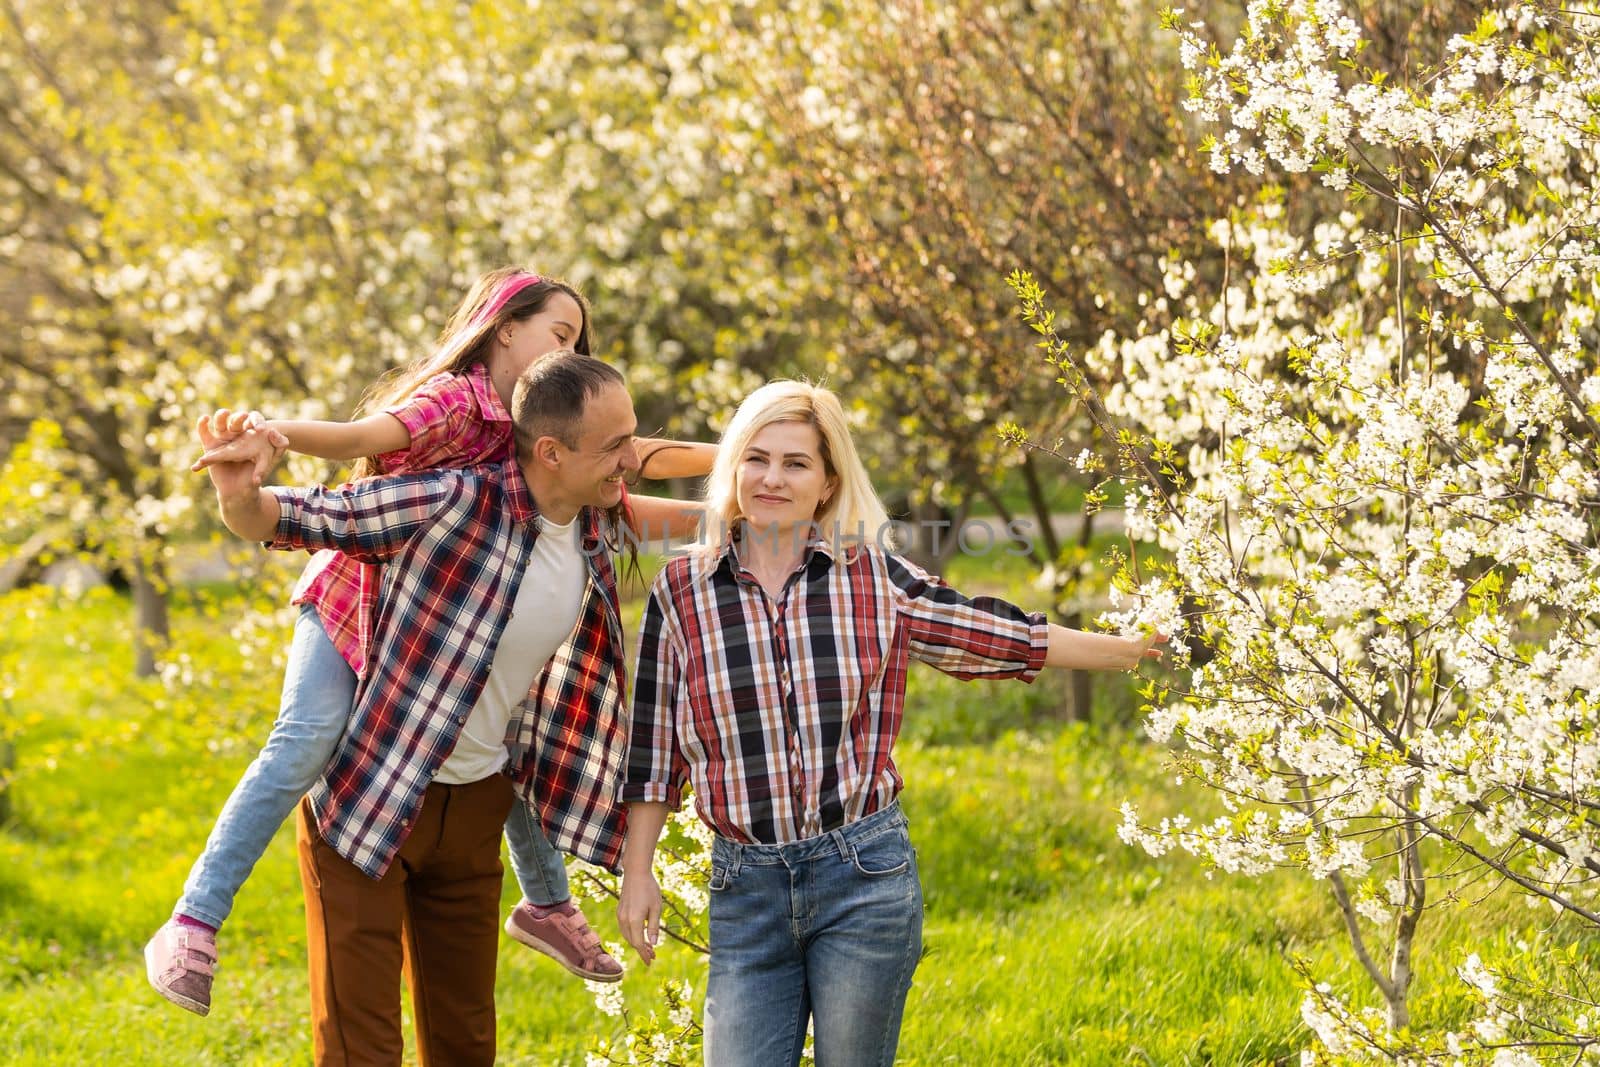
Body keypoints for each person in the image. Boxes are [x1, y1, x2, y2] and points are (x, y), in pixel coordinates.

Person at [145, 269, 712, 1019]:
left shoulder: (535, 430)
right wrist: (273, 435)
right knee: (310, 734)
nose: (570, 348)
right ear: (504, 327)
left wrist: (738, 464)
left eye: (579, 341)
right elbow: (359, 438)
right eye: (561, 331)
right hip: (359, 587)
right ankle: (194, 918)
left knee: (510, 729)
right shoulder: (460, 399)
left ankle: (546, 903)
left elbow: (631, 461)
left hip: (448, 613)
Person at [615, 381, 1164, 1067]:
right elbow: (654, 745)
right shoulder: (682, 591)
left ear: (827, 482)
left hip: (862, 876)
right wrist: (639, 871)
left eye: (795, 463)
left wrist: (1129, 650)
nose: (772, 478)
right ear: (732, 466)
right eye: (756, 458)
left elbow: (996, 635)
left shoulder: (873, 578)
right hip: (745, 891)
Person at [187, 349, 645, 1065]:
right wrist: (240, 494)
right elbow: (302, 516)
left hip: (475, 809)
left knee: (465, 1043)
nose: (632, 456)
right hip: (369, 795)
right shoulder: (455, 499)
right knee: (361, 1048)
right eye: (617, 443)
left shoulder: (590, 525)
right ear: (552, 451)